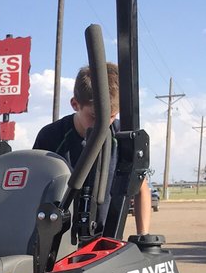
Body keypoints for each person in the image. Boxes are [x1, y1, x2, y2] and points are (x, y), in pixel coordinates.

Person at [33, 62, 151, 235]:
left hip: (107, 239)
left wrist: (143, 236)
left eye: (111, 116)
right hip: (57, 240)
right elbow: (34, 190)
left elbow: (141, 189)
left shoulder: (122, 137)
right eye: (95, 116)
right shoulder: (51, 136)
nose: (104, 124)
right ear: (75, 104)